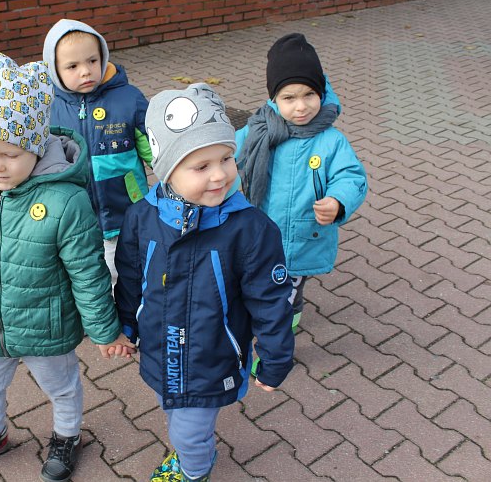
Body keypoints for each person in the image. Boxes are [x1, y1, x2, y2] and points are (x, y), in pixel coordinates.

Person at [0, 53, 133, 482]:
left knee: (61, 387)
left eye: (10, 154)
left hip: (46, 325)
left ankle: (67, 437)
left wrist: (104, 331)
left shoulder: (66, 200)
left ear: (36, 146)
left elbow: (88, 273)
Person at [114, 84, 295, 482]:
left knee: (189, 431)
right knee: (172, 408)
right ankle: (188, 451)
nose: (219, 175)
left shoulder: (250, 229)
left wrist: (275, 357)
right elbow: (130, 277)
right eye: (201, 166)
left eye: (226, 158)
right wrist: (125, 325)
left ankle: (194, 471)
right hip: (159, 350)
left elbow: (271, 300)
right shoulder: (143, 218)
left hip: (212, 358)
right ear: (168, 170)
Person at [236, 33, 368, 336]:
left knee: (287, 297)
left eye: (309, 94)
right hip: (261, 234)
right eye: (289, 98)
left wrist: (338, 201)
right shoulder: (258, 131)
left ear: (321, 92)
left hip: (303, 238)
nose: (301, 106)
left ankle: (280, 339)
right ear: (273, 99)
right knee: (258, 285)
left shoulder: (331, 140)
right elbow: (226, 154)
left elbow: (351, 177)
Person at [42, 19, 152, 286]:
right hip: (75, 218)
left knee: (128, 274)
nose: (85, 71)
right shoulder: (47, 107)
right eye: (72, 66)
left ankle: (130, 308)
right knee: (84, 278)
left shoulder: (129, 99)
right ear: (54, 69)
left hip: (125, 211)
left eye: (92, 60)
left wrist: (178, 175)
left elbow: (155, 149)